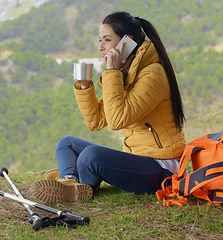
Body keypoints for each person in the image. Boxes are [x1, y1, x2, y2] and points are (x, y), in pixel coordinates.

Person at [31, 11, 186, 203]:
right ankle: (71, 181)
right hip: (138, 159)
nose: (101, 47)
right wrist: (84, 86)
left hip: (162, 168)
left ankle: (80, 182)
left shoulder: (153, 74)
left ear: (126, 42)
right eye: (99, 40)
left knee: (90, 156)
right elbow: (95, 122)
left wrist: (112, 72)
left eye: (107, 40)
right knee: (66, 143)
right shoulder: (127, 73)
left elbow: (116, 120)